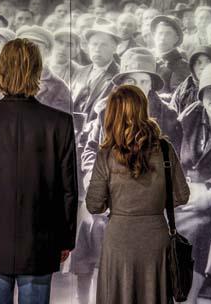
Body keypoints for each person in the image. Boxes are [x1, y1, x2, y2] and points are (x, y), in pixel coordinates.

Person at [0, 38, 78, 304]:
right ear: (37, 71)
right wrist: (67, 239)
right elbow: (69, 189)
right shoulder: (60, 123)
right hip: (42, 236)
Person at [86, 84, 190, 304]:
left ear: (112, 114)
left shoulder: (106, 155)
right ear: (143, 110)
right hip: (156, 241)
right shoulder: (164, 148)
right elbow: (182, 196)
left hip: (119, 242)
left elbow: (94, 205)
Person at [175, 62, 211, 302]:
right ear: (202, 93)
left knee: (197, 231)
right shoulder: (188, 116)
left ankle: (188, 298)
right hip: (185, 194)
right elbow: (169, 154)